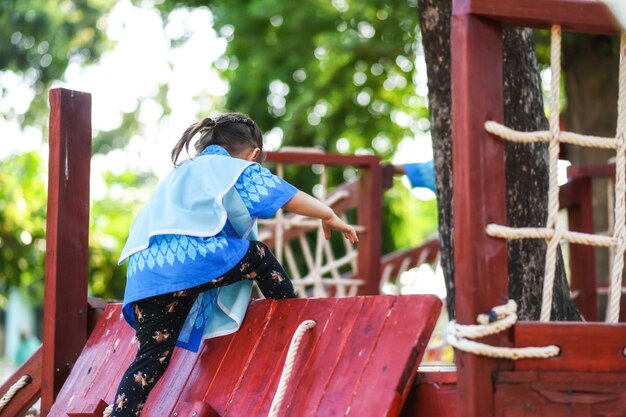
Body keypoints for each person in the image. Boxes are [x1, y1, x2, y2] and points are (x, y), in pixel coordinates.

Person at [111, 113, 358, 416]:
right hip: (187, 261)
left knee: (150, 358)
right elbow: (287, 197)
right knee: (258, 257)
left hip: (145, 273)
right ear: (253, 155)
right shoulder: (233, 168)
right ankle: (295, 315)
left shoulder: (181, 172)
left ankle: (123, 413)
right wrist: (327, 213)